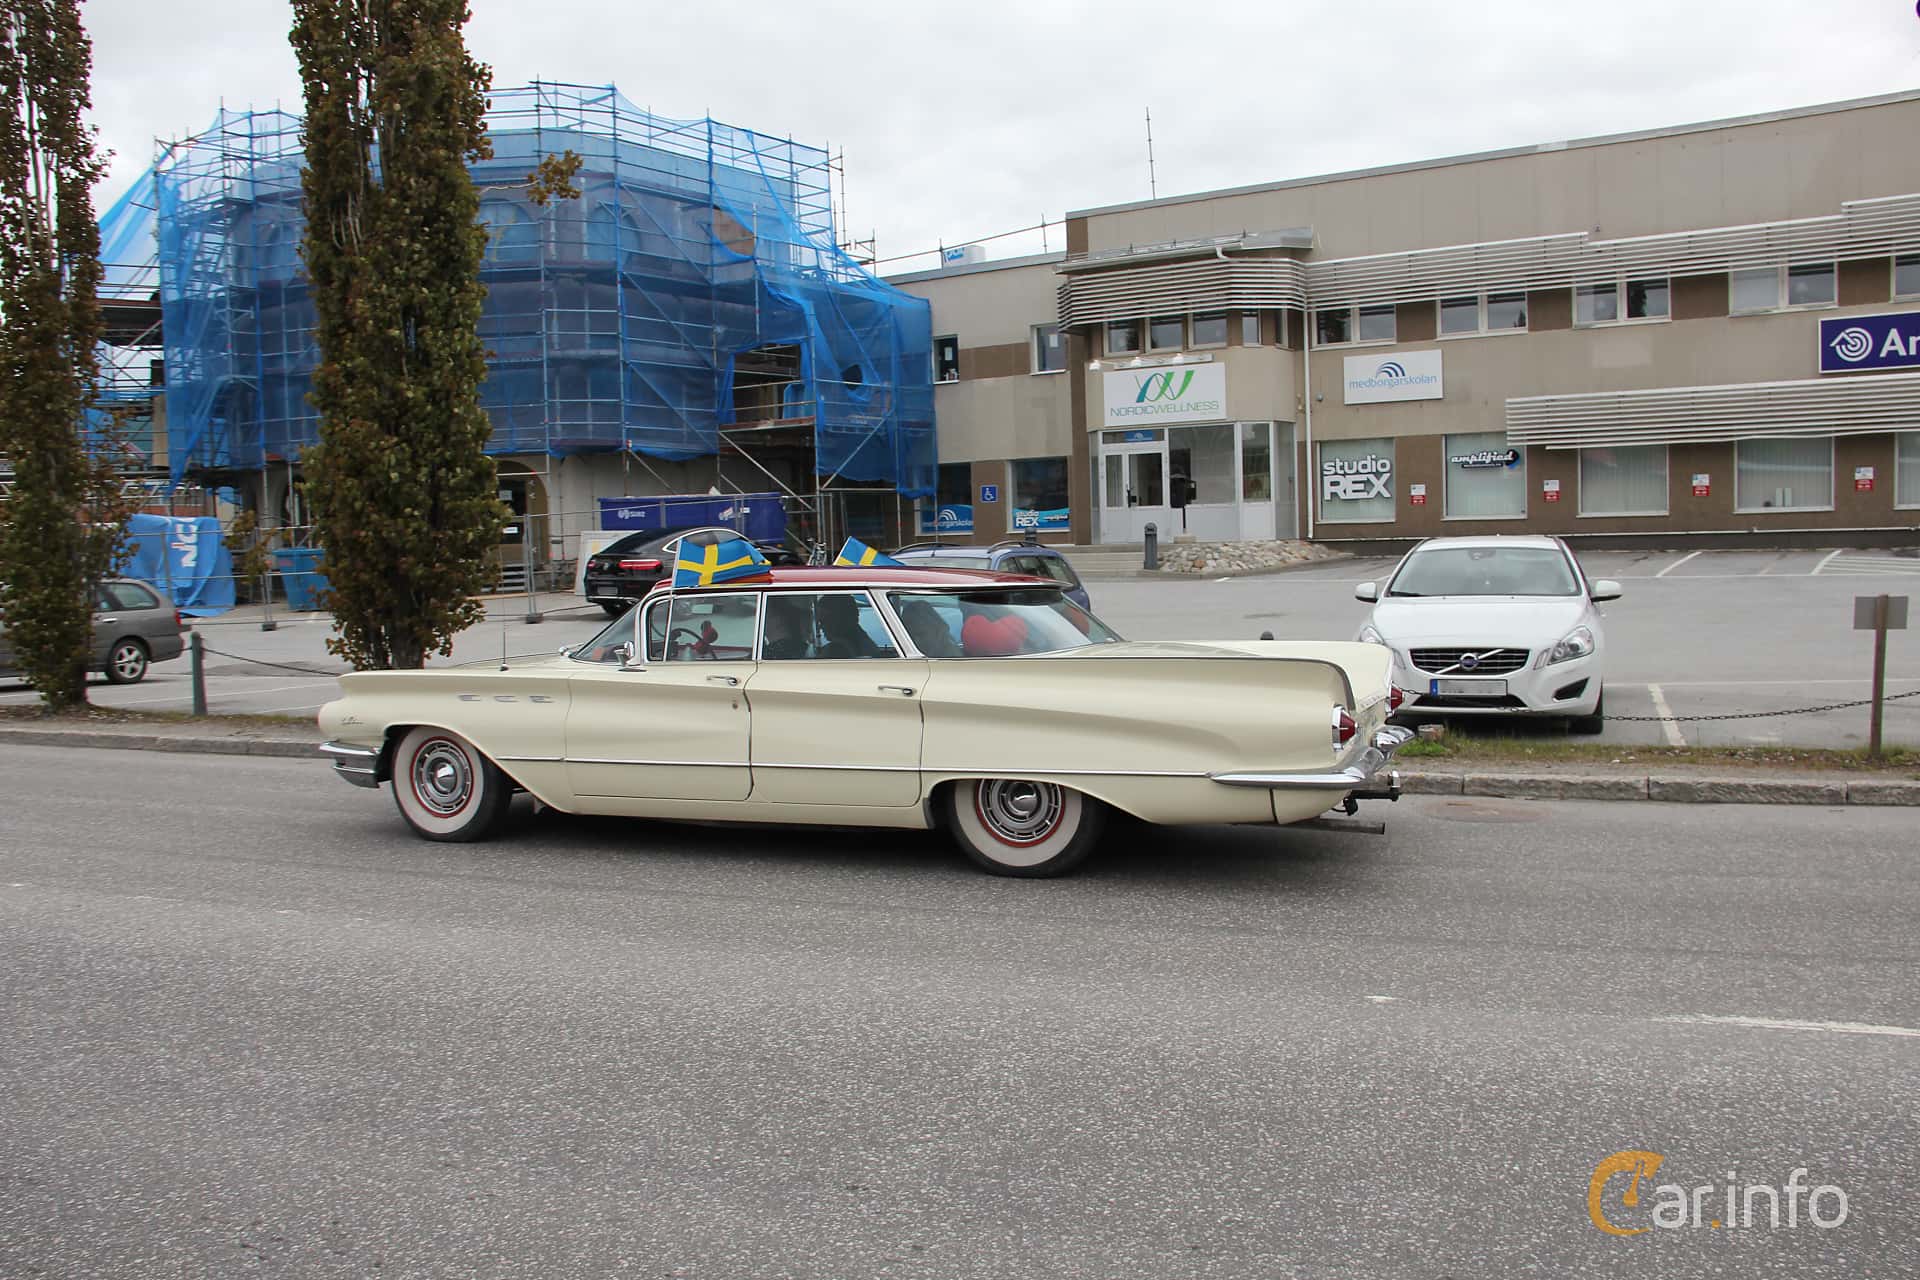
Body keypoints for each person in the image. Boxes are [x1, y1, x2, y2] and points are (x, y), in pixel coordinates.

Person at [814, 594, 880, 659]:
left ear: (840, 619)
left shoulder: (837, 650)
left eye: (824, 620)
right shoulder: (863, 641)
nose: (820, 627)